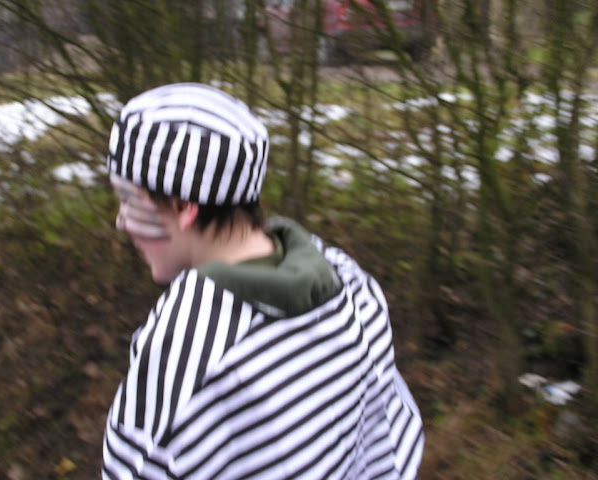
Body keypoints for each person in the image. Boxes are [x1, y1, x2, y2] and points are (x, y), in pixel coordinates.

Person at [102, 83, 424, 480]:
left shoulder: (186, 358)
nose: (121, 221)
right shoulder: (354, 289)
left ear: (184, 206)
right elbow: (391, 449)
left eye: (129, 200)